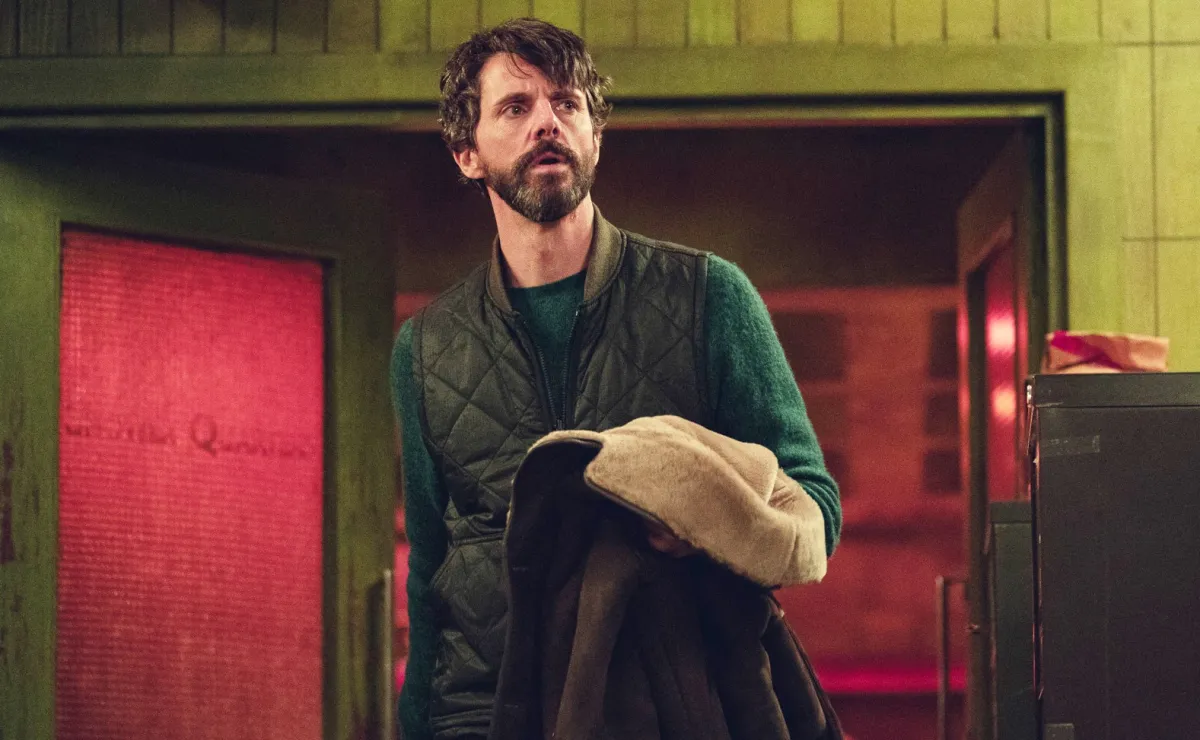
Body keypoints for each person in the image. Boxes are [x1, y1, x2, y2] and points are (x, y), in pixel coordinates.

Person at [390, 18, 841, 740]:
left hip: (674, 708)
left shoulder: (709, 296)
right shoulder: (425, 347)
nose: (547, 123)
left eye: (567, 103)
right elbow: (430, 567)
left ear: (595, 135)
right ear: (466, 153)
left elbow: (812, 501)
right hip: (485, 714)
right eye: (516, 107)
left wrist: (707, 522)